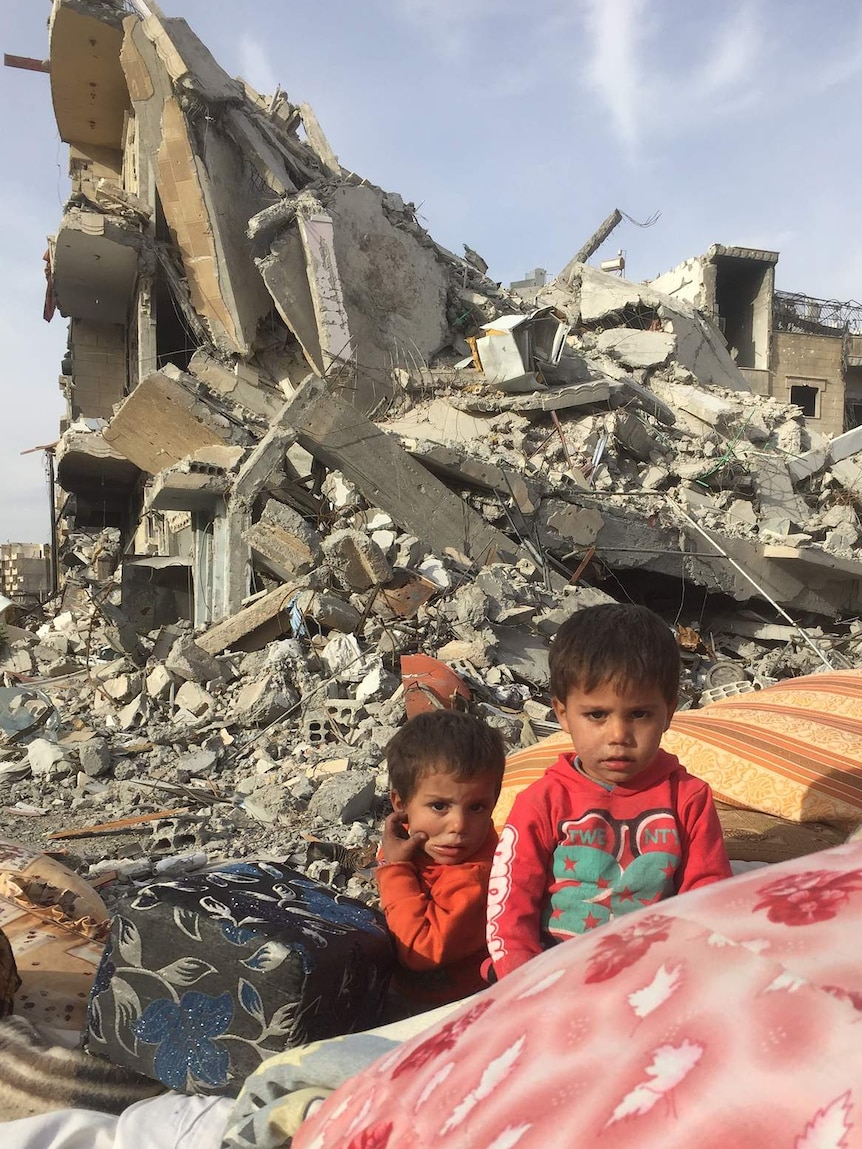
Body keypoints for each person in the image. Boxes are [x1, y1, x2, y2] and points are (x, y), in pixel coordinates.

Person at [486, 602, 732, 980]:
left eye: (639, 714)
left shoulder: (687, 797)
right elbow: (510, 906)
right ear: (563, 714)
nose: (618, 736)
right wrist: (523, 981)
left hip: (650, 969)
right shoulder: (543, 803)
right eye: (597, 715)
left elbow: (707, 896)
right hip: (551, 968)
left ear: (668, 711)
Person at [376, 710, 506, 1008]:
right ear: (400, 804)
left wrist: (395, 871)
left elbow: (421, 949)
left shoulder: (475, 875)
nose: (458, 825)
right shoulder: (411, 844)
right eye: (439, 806)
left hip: (451, 1007)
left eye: (476, 808)